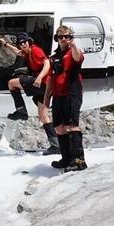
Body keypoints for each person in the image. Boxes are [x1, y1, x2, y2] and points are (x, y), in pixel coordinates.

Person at [0, 33, 59, 155]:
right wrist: (5, 44)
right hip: (47, 88)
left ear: (29, 42)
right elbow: (17, 52)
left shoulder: (35, 50)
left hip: (43, 83)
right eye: (21, 43)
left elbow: (47, 63)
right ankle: (56, 145)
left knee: (11, 83)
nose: (23, 45)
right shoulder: (26, 52)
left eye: (25, 42)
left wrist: (39, 77)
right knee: (43, 116)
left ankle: (21, 111)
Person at [46, 25, 87, 172]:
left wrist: (74, 46)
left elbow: (78, 58)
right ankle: (66, 158)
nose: (64, 39)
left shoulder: (73, 52)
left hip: (72, 93)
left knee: (71, 125)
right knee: (59, 127)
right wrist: (46, 99)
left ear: (71, 38)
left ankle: (79, 160)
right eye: (60, 37)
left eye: (67, 36)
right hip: (58, 96)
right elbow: (50, 78)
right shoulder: (54, 57)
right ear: (56, 39)